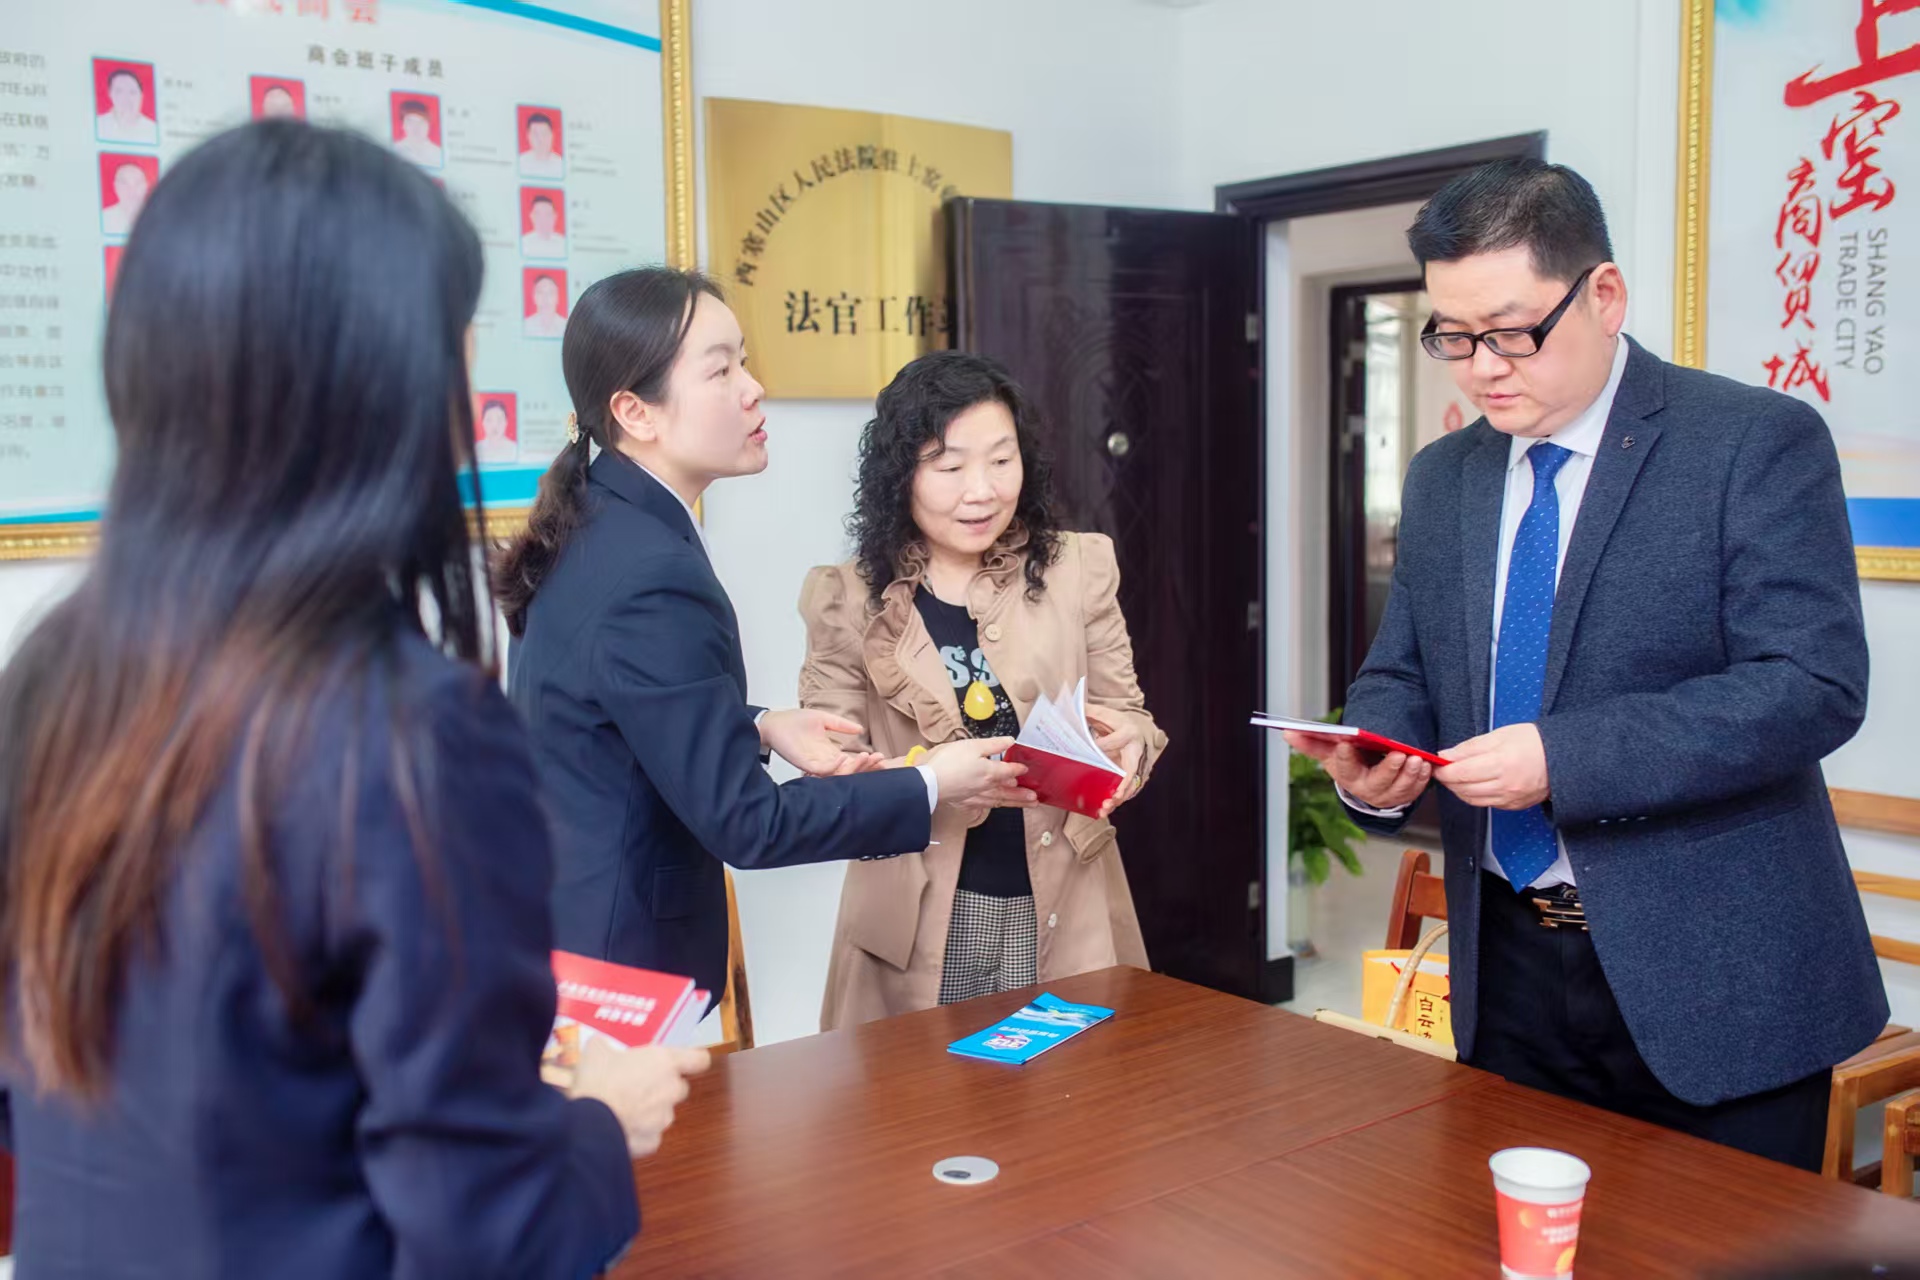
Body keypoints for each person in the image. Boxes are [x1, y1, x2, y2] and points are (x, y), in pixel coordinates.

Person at [0, 120, 706, 1277]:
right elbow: (488, 1230)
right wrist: (596, 1118)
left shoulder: (55, 672)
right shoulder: (412, 731)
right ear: (379, 394)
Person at [1286, 158, 1884, 1171]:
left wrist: (1562, 758)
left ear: (1603, 295)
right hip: (1508, 964)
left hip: (1713, 970)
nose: (1481, 368)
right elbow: (1405, 668)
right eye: (1452, 335)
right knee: (1510, 1232)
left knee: (1717, 1241)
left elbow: (1810, 684)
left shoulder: (1751, 443)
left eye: (1511, 331)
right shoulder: (1445, 477)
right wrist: (1378, 751)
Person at [497, 269, 1029, 1000]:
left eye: (744, 361)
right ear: (635, 412)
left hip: (573, 932)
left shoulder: (601, 519)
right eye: (721, 371)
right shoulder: (651, 570)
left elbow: (611, 707)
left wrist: (758, 724)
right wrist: (931, 782)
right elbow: (750, 825)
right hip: (622, 971)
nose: (754, 389)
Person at [798, 351, 1165, 1028]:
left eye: (1002, 460)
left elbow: (1127, 712)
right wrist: (928, 775)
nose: (983, 491)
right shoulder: (847, 597)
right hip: (915, 921)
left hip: (1066, 903)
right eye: (950, 467)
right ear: (901, 474)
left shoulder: (1077, 568)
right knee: (920, 1092)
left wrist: (1132, 743)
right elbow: (831, 781)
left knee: (1073, 1090)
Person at [96, 67, 157, 145]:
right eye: (119, 92)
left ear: (141, 95)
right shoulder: (99, 124)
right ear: (110, 94)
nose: (126, 98)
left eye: (132, 92)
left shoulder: (153, 129)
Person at [100, 160, 150, 236]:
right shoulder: (104, 218)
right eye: (125, 184)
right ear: (116, 186)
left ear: (146, 186)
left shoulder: (157, 216)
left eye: (138, 183)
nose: (132, 190)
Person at [393, 98, 441, 168]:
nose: (416, 127)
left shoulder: (438, 153)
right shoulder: (394, 150)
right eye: (411, 122)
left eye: (421, 122)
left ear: (428, 125)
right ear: (403, 125)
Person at [524, 271, 568, 339]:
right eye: (541, 293)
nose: (545, 298)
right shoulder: (526, 325)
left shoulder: (565, 326)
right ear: (534, 297)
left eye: (550, 293)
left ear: (557, 298)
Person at [520, 111, 563, 179]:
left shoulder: (560, 164)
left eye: (544, 133)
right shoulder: (521, 163)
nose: (540, 139)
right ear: (528, 136)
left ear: (552, 135)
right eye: (536, 134)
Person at [476, 396, 518, 465]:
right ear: (483, 423)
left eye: (499, 420)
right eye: (489, 420)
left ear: (506, 422)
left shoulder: (515, 449)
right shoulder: (477, 449)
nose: (494, 425)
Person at [522, 194, 566, 259]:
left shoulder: (563, 243)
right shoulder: (523, 243)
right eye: (538, 214)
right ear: (531, 216)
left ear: (555, 217)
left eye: (547, 214)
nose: (543, 219)